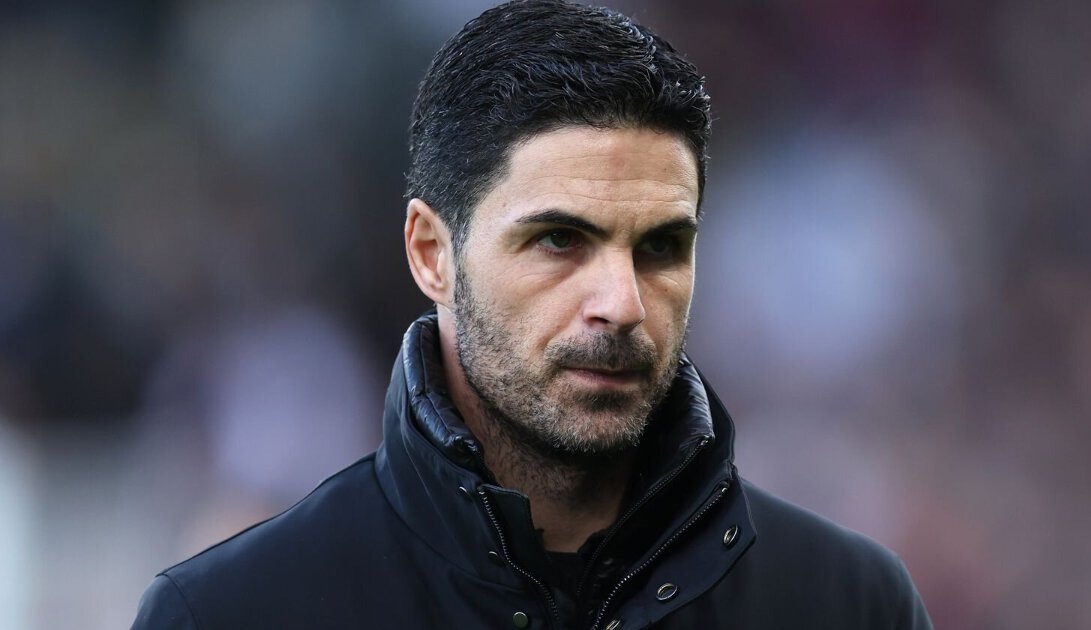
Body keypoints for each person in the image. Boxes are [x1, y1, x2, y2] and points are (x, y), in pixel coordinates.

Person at [132, 1, 933, 628]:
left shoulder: (848, 604)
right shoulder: (234, 614)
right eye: (558, 240)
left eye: (660, 246)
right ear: (432, 254)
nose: (622, 304)